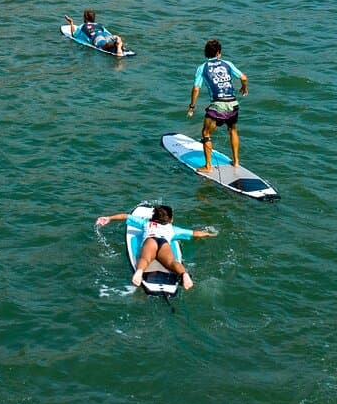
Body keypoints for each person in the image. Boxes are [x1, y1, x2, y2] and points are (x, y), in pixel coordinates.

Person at [96, 204, 215, 290]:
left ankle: (139, 272)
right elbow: (195, 233)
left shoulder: (146, 222)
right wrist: (209, 234)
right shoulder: (173, 229)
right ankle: (184, 274)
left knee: (145, 259)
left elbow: (126, 216)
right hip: (164, 242)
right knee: (172, 262)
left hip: (151, 240)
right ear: (171, 219)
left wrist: (109, 218)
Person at [188, 39, 248, 175]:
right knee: (232, 130)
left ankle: (208, 166)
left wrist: (192, 106)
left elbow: (196, 88)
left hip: (218, 105)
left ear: (205, 53)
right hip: (233, 103)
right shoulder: (228, 64)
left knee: (206, 133)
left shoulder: (202, 68)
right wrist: (244, 88)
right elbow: (244, 78)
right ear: (219, 53)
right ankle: (236, 161)